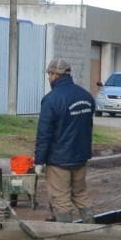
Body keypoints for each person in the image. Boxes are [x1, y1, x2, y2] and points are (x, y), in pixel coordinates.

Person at [34, 57, 96, 222]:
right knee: (81, 193)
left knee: (60, 198)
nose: (48, 78)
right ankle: (92, 229)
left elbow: (44, 133)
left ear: (55, 75)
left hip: (59, 160)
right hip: (80, 158)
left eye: (49, 75)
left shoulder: (51, 99)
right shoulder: (87, 97)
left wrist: (39, 161)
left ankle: (65, 234)